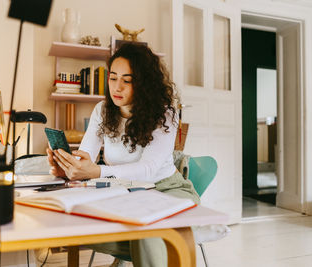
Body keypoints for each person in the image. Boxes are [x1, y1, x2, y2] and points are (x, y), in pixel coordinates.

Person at [47, 43, 200, 267]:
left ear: (144, 84)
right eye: (113, 78)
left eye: (127, 80)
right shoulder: (102, 110)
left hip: (167, 189)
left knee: (146, 227)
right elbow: (86, 156)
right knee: (78, 220)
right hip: (123, 192)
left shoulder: (165, 113)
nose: (117, 87)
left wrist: (97, 171)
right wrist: (69, 167)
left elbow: (147, 171)